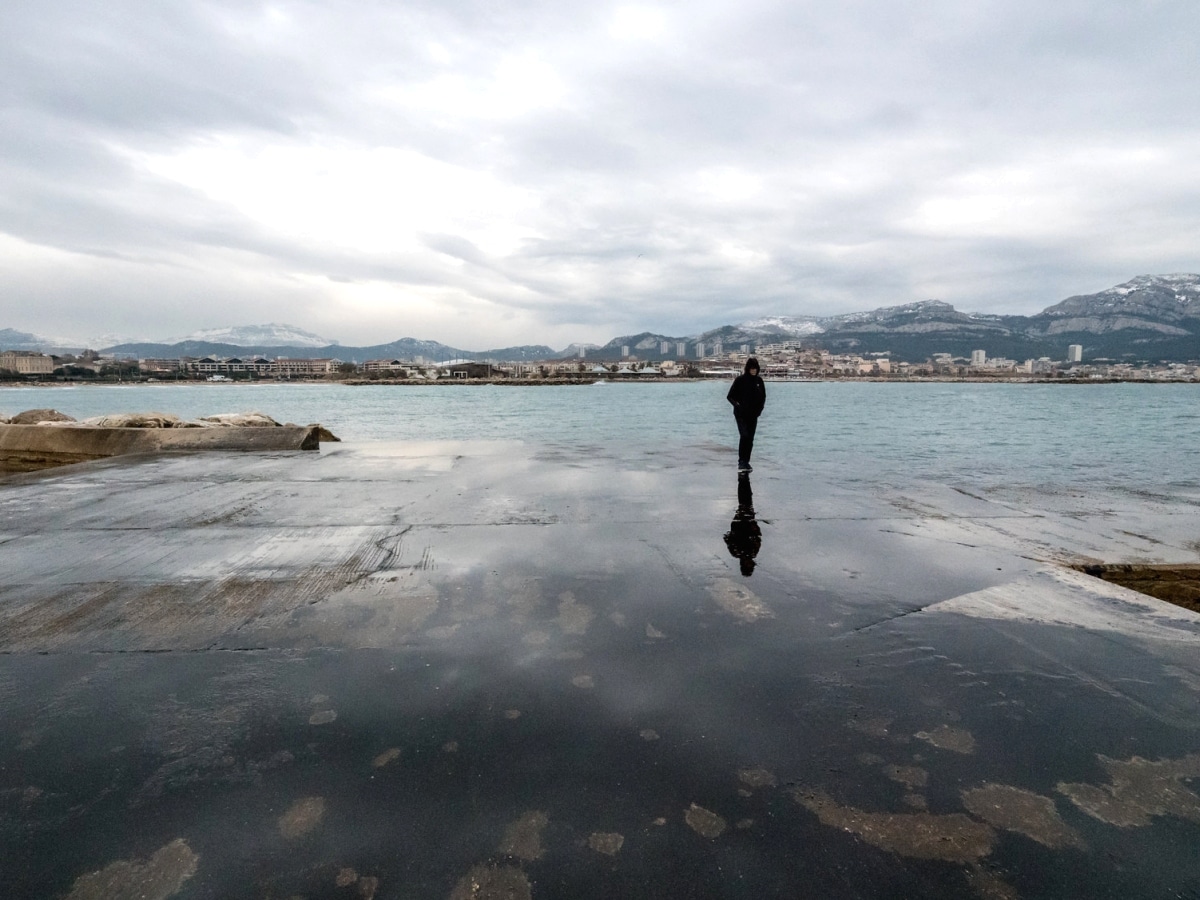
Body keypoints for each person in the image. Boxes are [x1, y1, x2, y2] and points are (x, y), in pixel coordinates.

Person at [726, 357, 766, 473]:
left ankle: (746, 461)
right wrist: (738, 406)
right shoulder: (740, 380)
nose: (753, 371)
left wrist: (760, 410)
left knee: (750, 439)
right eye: (752, 369)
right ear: (748, 369)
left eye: (755, 369)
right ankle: (741, 461)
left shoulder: (759, 381)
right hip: (741, 414)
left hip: (753, 415)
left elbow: (763, 397)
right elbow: (730, 396)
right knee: (744, 436)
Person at [723, 472, 762, 576]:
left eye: (749, 565)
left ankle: (743, 480)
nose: (751, 563)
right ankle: (744, 480)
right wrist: (755, 527)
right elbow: (758, 537)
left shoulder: (736, 552)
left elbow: (727, 538)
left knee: (744, 502)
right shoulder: (752, 552)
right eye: (751, 565)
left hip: (740, 523)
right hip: (747, 523)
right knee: (747, 501)